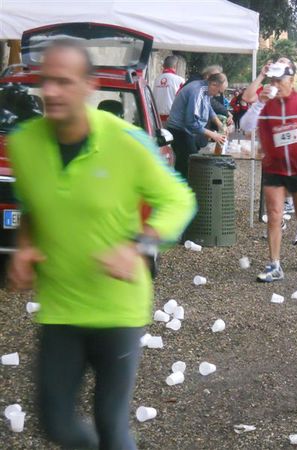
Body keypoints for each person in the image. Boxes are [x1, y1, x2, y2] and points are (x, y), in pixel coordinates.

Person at [7, 39, 195, 449]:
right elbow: (32, 205)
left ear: (88, 86)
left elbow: (178, 199)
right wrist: (25, 246)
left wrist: (139, 245)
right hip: (60, 305)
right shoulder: (24, 144)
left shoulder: (126, 142)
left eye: (64, 82)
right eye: (46, 82)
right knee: (55, 423)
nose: (52, 92)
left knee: (110, 424)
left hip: (117, 307)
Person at [240, 61, 297, 282]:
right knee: (274, 215)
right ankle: (274, 264)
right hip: (274, 166)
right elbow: (246, 126)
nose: (275, 85)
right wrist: (259, 103)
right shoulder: (266, 104)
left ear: (291, 80)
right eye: (272, 81)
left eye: (280, 81)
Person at [167, 72, 228, 179]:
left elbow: (208, 107)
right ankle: (182, 190)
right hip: (180, 131)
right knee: (189, 165)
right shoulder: (196, 91)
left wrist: (219, 124)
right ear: (213, 84)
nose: (218, 95)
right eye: (219, 91)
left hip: (187, 131)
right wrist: (213, 135)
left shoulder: (205, 89)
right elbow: (191, 123)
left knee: (190, 162)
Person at [153, 55, 184, 126]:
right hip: (172, 118)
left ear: (164, 66)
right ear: (175, 66)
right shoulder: (180, 80)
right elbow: (183, 99)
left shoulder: (157, 79)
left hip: (156, 117)